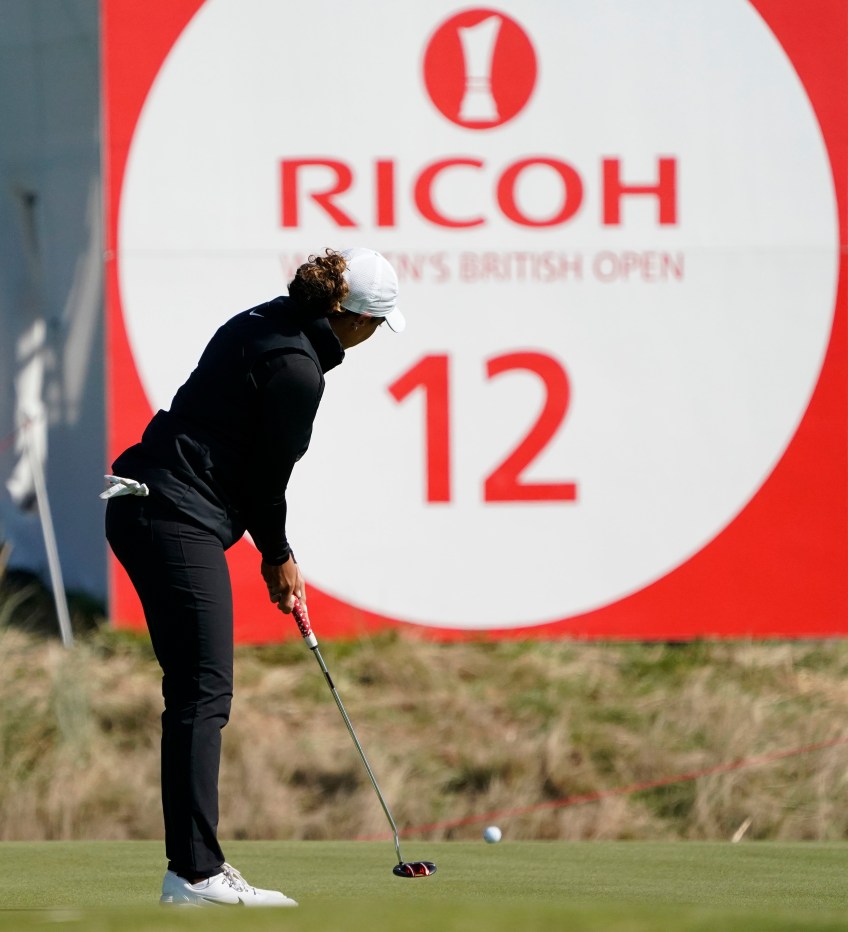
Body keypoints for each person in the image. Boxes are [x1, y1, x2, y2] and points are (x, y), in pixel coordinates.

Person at [103, 248, 404, 906]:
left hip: (144, 503)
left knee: (195, 690)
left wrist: (272, 551)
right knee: (203, 693)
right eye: (377, 326)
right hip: (172, 514)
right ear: (355, 320)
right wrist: (279, 554)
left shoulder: (261, 321)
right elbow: (267, 484)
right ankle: (196, 875)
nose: (372, 338)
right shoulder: (298, 370)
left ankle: (193, 871)